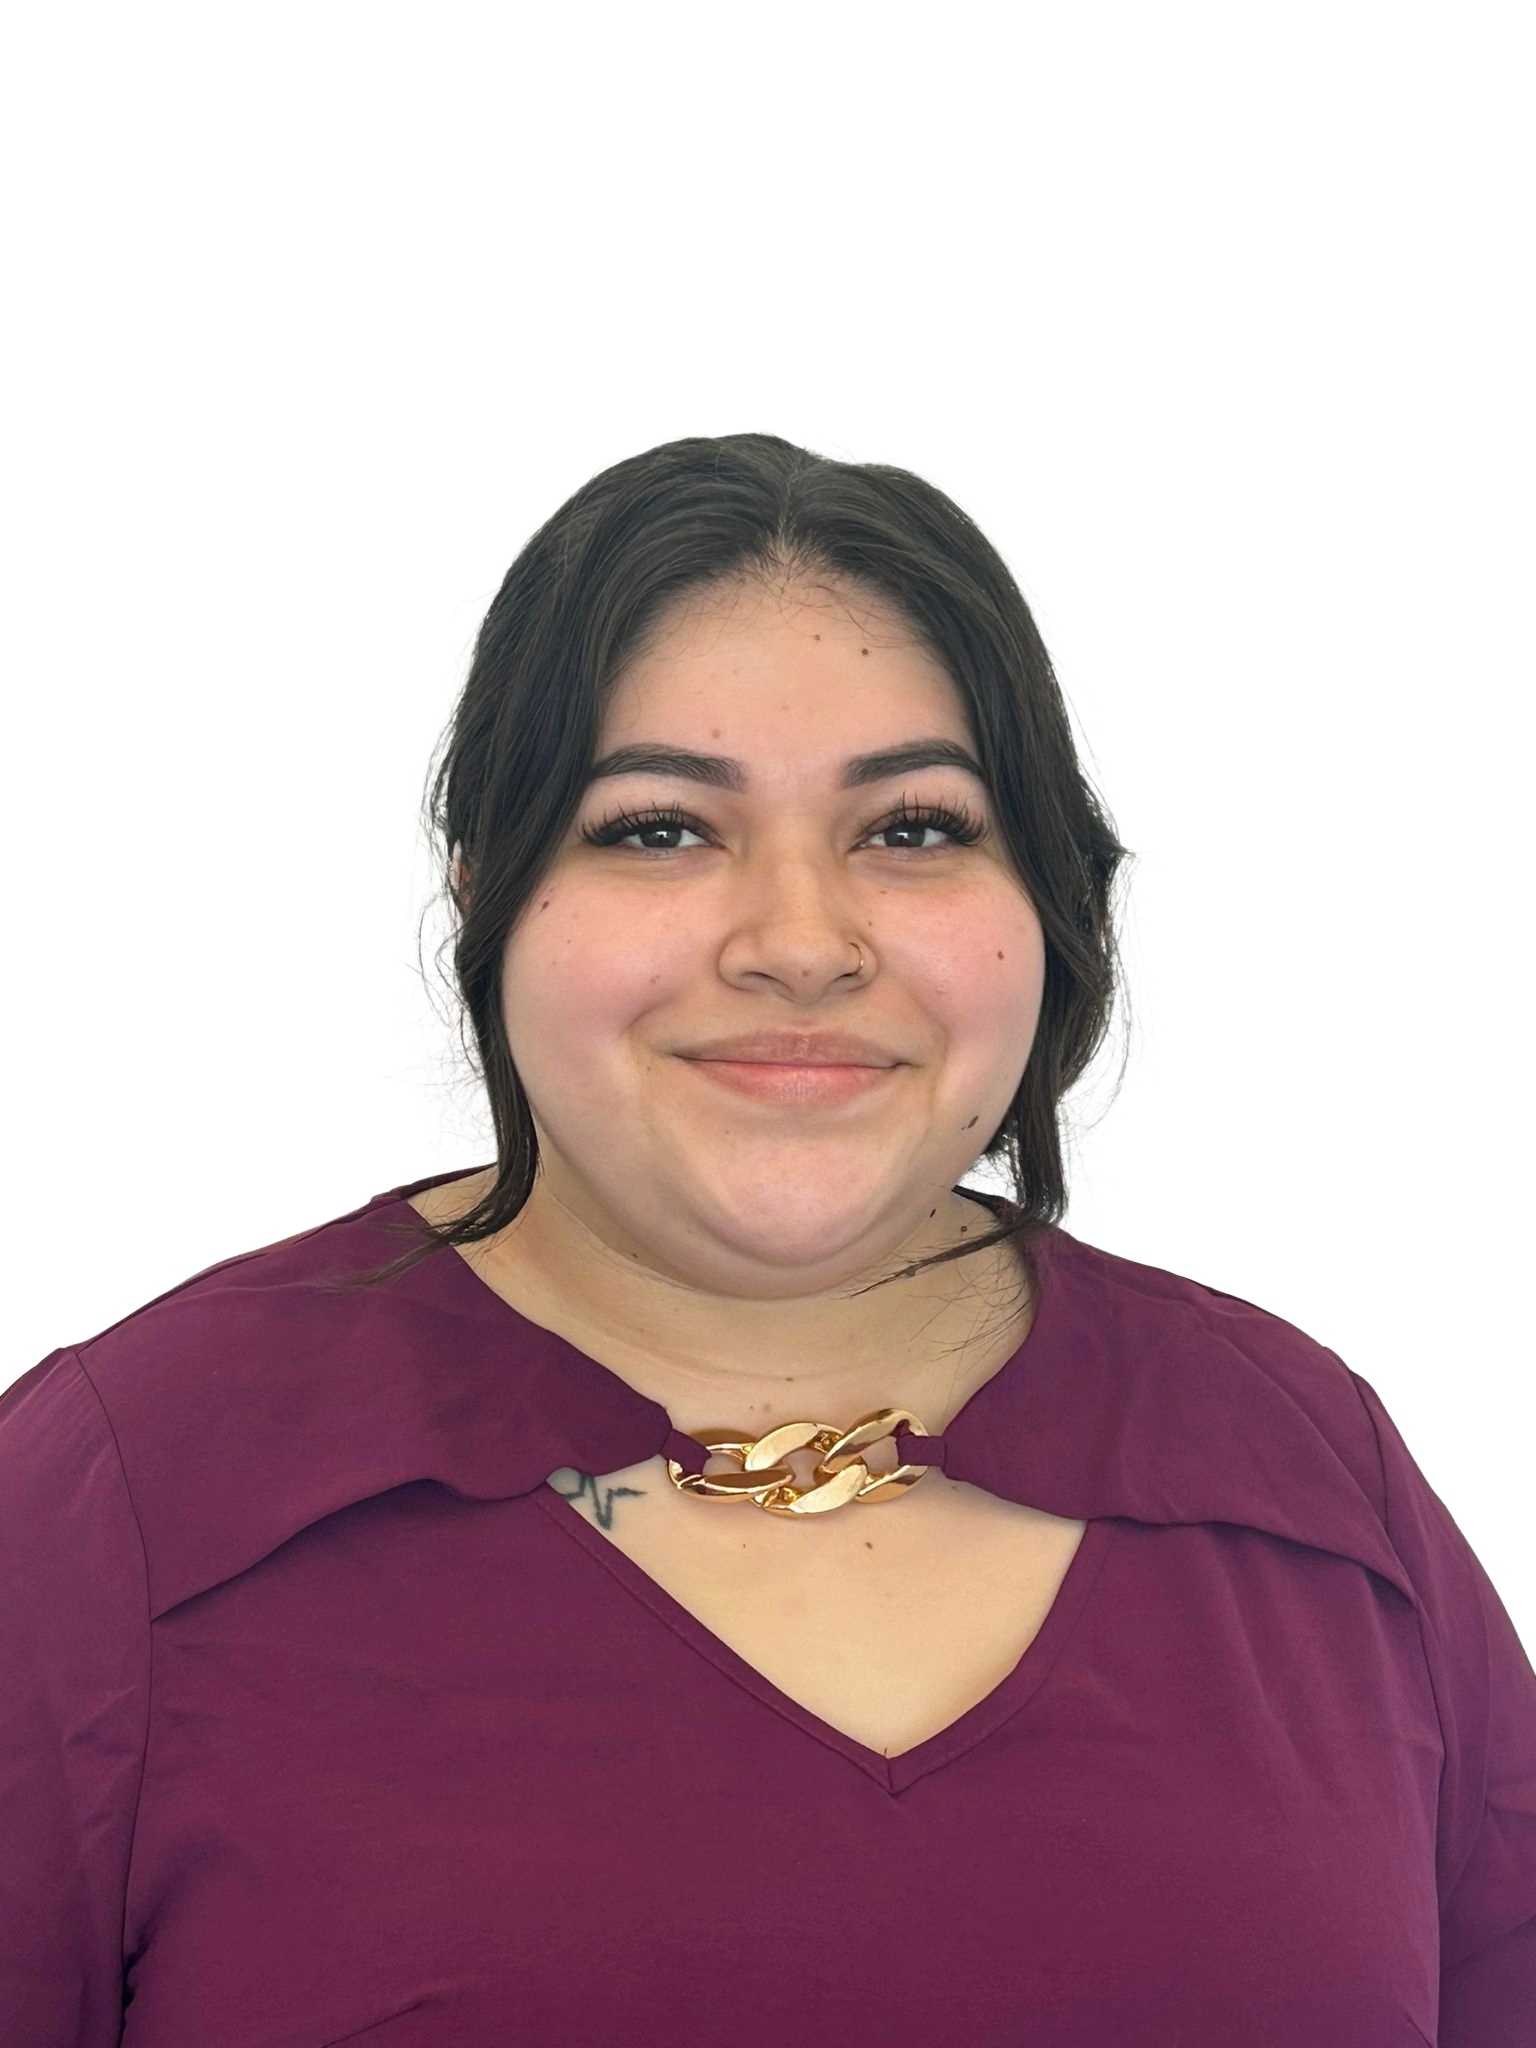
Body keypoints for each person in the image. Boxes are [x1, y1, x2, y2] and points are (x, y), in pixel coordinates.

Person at [3, 431, 1531, 2044]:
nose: (802, 943)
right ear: (482, 894)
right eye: (660, 826)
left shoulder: (1308, 1470)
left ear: (1052, 905)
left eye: (916, 829)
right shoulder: (124, 1501)